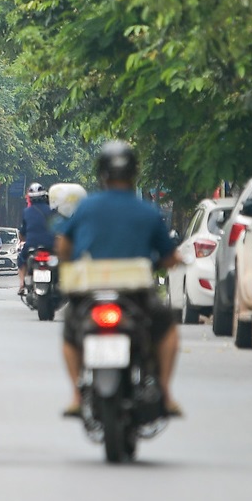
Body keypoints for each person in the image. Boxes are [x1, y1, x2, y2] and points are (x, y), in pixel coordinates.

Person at [55, 141, 183, 417]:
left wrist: (70, 258)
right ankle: (165, 391)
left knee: (70, 332)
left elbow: (64, 245)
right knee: (167, 328)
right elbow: (169, 257)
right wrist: (165, 261)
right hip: (134, 293)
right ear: (134, 173)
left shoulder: (86, 207)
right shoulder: (148, 211)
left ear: (102, 174)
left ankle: (77, 396)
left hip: (90, 290)